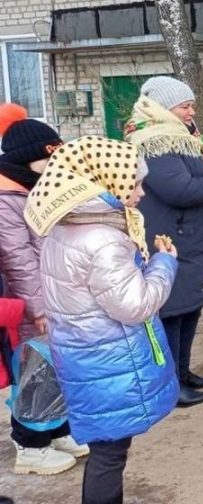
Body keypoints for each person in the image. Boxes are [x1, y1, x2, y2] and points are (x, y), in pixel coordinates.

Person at [24, 136, 179, 504]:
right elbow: (136, 305)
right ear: (106, 180)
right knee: (109, 455)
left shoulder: (67, 224)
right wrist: (164, 263)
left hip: (84, 353)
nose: (141, 192)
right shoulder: (103, 239)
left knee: (107, 451)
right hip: (105, 359)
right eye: (134, 182)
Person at [126, 77, 203, 406]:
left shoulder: (179, 138)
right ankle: (170, 383)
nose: (192, 111)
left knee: (188, 310)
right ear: (163, 108)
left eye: (192, 104)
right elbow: (182, 190)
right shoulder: (157, 143)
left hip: (186, 240)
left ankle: (182, 371)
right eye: (185, 106)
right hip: (169, 240)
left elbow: (194, 180)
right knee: (172, 313)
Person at [0, 104, 89, 474]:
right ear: (28, 160)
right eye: (48, 160)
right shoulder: (6, 201)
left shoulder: (31, 190)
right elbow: (18, 261)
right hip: (28, 307)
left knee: (56, 367)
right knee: (34, 371)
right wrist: (38, 310)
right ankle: (30, 446)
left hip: (51, 299)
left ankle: (57, 429)